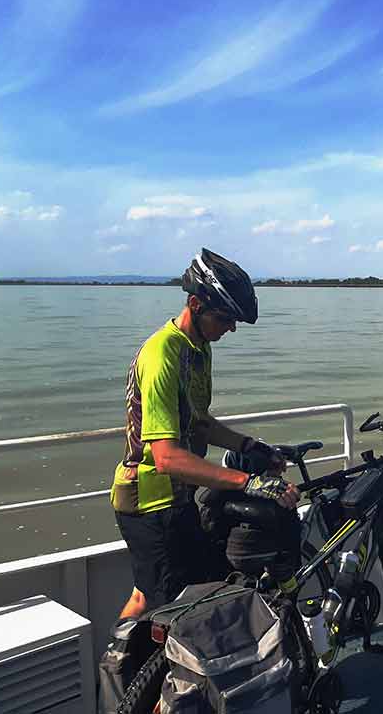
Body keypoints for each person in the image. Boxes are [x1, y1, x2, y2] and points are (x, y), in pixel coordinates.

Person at [109, 248, 300, 619]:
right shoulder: (162, 354)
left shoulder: (197, 348)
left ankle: (122, 672)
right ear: (194, 304)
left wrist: (251, 446)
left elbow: (200, 423)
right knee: (161, 606)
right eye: (224, 318)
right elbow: (165, 457)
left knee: (174, 589)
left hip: (178, 497)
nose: (230, 328)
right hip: (149, 502)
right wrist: (248, 482)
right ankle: (122, 673)